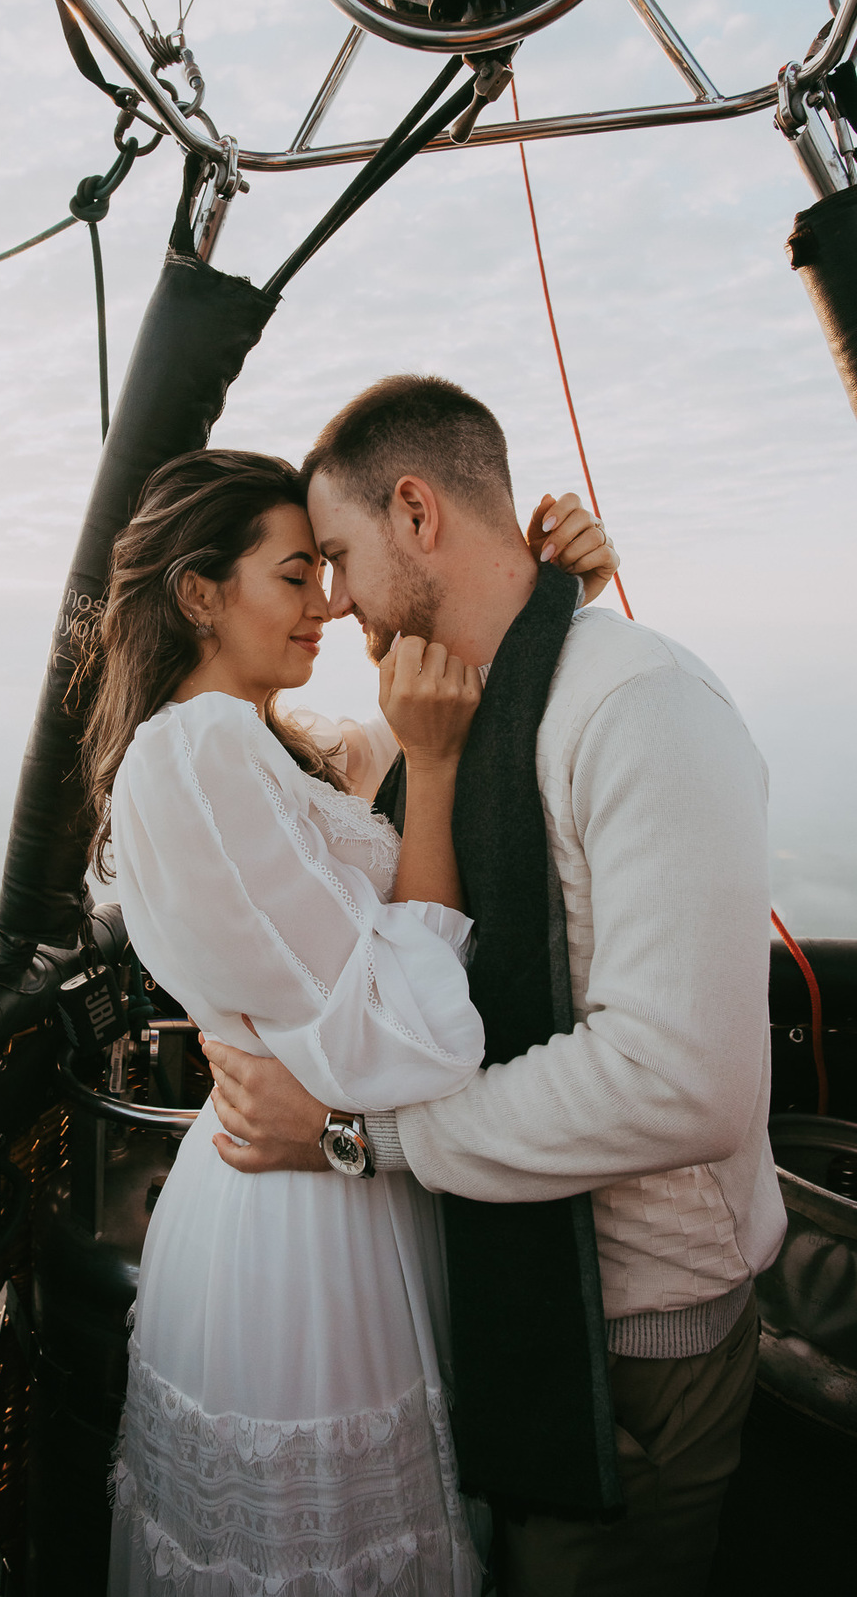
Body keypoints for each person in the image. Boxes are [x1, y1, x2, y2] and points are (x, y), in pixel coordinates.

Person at [205, 375, 786, 1597]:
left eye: (340, 557)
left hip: (626, 1347)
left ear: (418, 512)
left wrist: (357, 1136)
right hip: (490, 1307)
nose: (336, 600)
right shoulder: (455, 723)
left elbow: (678, 1080)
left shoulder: (642, 709)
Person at [82, 445, 619, 1597]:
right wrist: (434, 766)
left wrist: (546, 598)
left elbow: (437, 710)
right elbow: (407, 1029)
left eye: (329, 573)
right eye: (296, 576)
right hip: (301, 1226)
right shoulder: (202, 750)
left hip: (317, 1178)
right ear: (199, 593)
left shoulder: (266, 747)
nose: (327, 605)